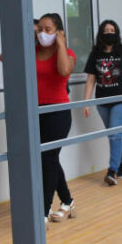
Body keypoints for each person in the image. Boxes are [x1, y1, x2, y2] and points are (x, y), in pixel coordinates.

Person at [83, 20, 122, 186]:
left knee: (115, 134)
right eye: (106, 30)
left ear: (117, 33)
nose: (109, 33)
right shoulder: (95, 53)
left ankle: (112, 170)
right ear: (101, 33)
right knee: (114, 134)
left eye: (112, 30)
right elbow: (91, 79)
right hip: (102, 101)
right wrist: (86, 102)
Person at [36, 13, 76, 224]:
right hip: (36, 112)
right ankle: (67, 201)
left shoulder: (67, 53)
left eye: (48, 29)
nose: (42, 33)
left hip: (58, 113)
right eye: (39, 29)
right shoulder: (33, 50)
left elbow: (63, 70)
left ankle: (43, 211)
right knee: (48, 159)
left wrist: (60, 44)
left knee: (47, 159)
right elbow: (5, 58)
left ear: (59, 31)